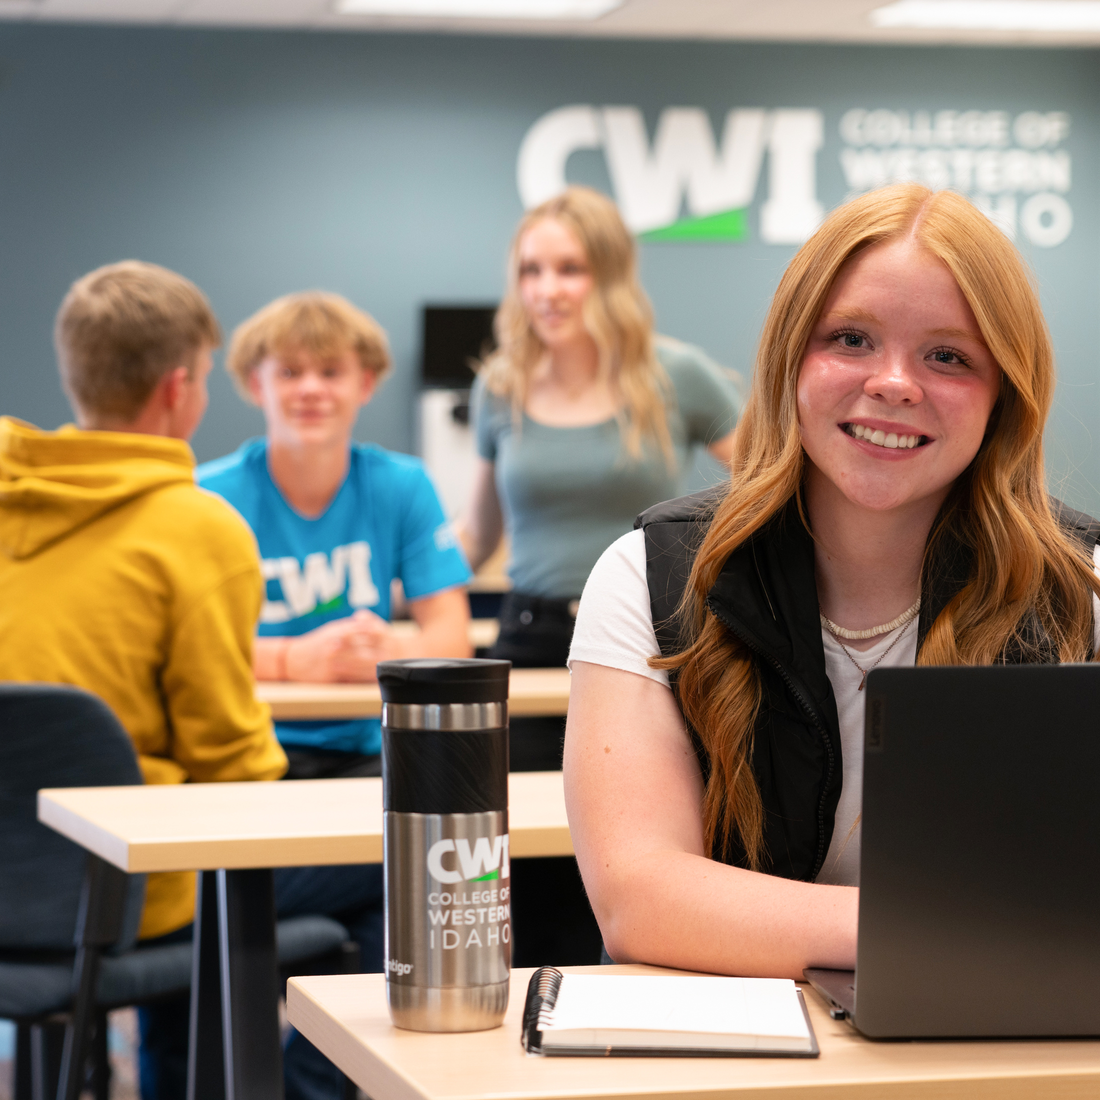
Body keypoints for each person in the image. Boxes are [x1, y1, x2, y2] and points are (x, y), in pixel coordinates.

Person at [564, 182, 1100, 978]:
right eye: (850, 339)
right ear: (791, 356)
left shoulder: (1079, 588)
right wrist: (953, 927)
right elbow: (640, 897)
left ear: (1005, 396)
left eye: (948, 356)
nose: (893, 383)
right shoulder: (650, 576)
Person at [0, 261, 288, 1095]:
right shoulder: (197, 528)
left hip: (14, 876)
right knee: (399, 870)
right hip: (117, 889)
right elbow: (229, 763)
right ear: (177, 388)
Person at [459, 186, 741, 966]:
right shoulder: (501, 387)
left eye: (570, 269)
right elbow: (478, 534)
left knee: (637, 860)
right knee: (525, 866)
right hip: (532, 636)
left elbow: (771, 484)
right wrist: (398, 594)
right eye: (531, 270)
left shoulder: (674, 375)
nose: (547, 289)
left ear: (610, 274)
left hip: (650, 643)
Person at [197, 291, 473, 780]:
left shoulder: (402, 485)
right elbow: (193, 650)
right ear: (254, 384)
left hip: (370, 747)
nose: (310, 389)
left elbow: (452, 634)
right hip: (242, 745)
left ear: (365, 383)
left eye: (330, 372)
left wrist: (393, 653)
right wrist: (291, 660)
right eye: (288, 372)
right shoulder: (208, 495)